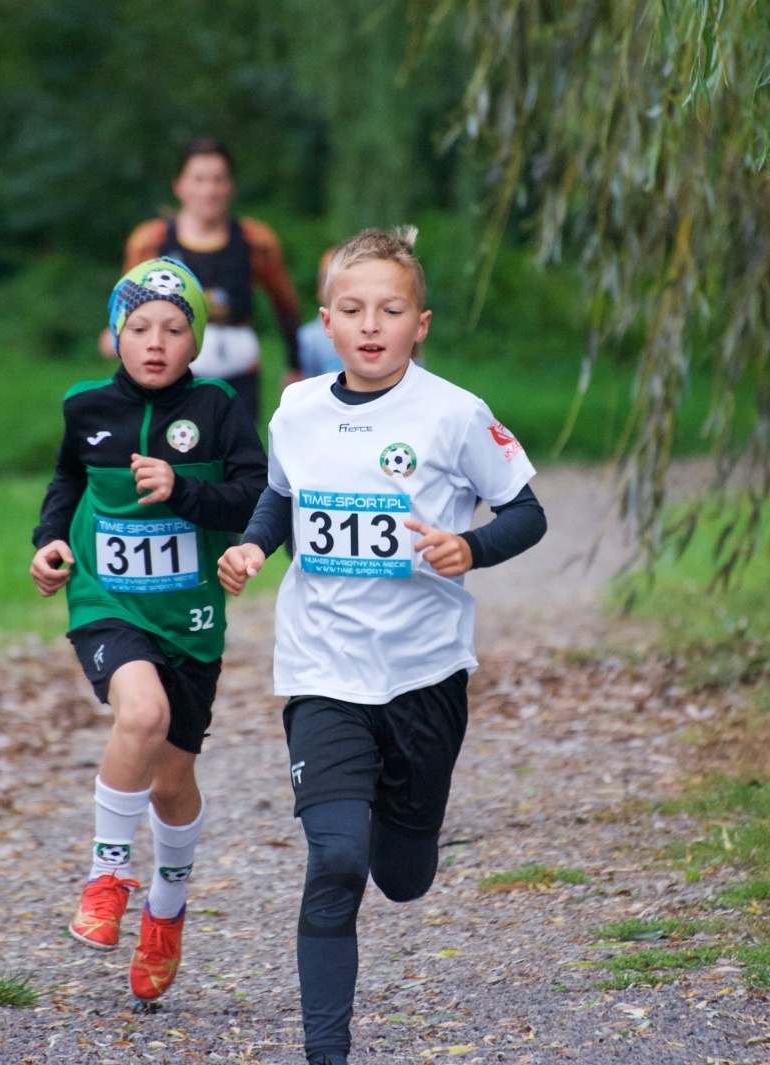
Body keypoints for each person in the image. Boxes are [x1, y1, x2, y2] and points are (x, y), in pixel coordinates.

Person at [217, 227, 548, 1065]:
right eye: (354, 309)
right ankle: (326, 1053)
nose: (372, 325)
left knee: (401, 874)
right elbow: (281, 498)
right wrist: (257, 544)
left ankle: (414, 830)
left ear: (420, 322)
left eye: (390, 310)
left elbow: (526, 511)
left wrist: (469, 547)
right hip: (322, 669)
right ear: (325, 322)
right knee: (336, 857)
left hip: (423, 674)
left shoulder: (454, 412)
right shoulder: (297, 408)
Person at [32, 257, 267, 1004]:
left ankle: (166, 909)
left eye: (174, 327)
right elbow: (68, 480)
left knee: (172, 781)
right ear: (116, 336)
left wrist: (183, 488)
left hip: (189, 619)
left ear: (195, 341)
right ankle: (107, 876)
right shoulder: (85, 408)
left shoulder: (222, 408)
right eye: (139, 328)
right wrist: (48, 541)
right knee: (142, 712)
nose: (156, 341)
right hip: (109, 602)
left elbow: (256, 493)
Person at [105, 138, 305, 426]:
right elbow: (124, 305)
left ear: (231, 185)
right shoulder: (151, 241)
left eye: (218, 180)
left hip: (240, 369)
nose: (209, 190)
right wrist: (115, 336)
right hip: (170, 368)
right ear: (179, 185)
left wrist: (294, 367)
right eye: (198, 180)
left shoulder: (256, 240)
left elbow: (285, 305)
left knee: (237, 459)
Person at [296, 248, 344, 379]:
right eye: (329, 283)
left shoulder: (369, 328)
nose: (336, 290)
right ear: (320, 289)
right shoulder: (308, 337)